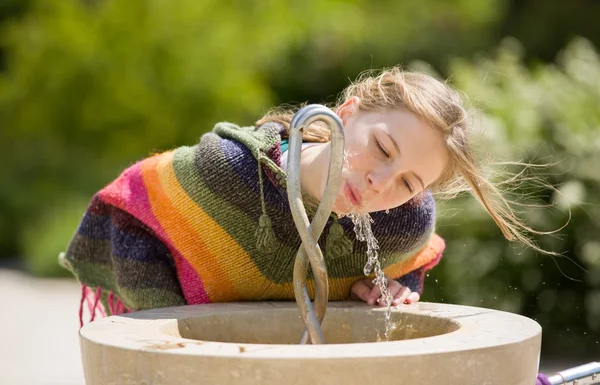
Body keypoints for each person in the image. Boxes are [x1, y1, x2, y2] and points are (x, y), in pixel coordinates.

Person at [60, 67, 538, 323]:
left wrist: (395, 289)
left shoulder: (403, 223)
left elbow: (409, 266)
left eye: (410, 184)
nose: (381, 183)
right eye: (382, 148)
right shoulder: (229, 172)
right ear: (346, 114)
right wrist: (170, 324)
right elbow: (131, 207)